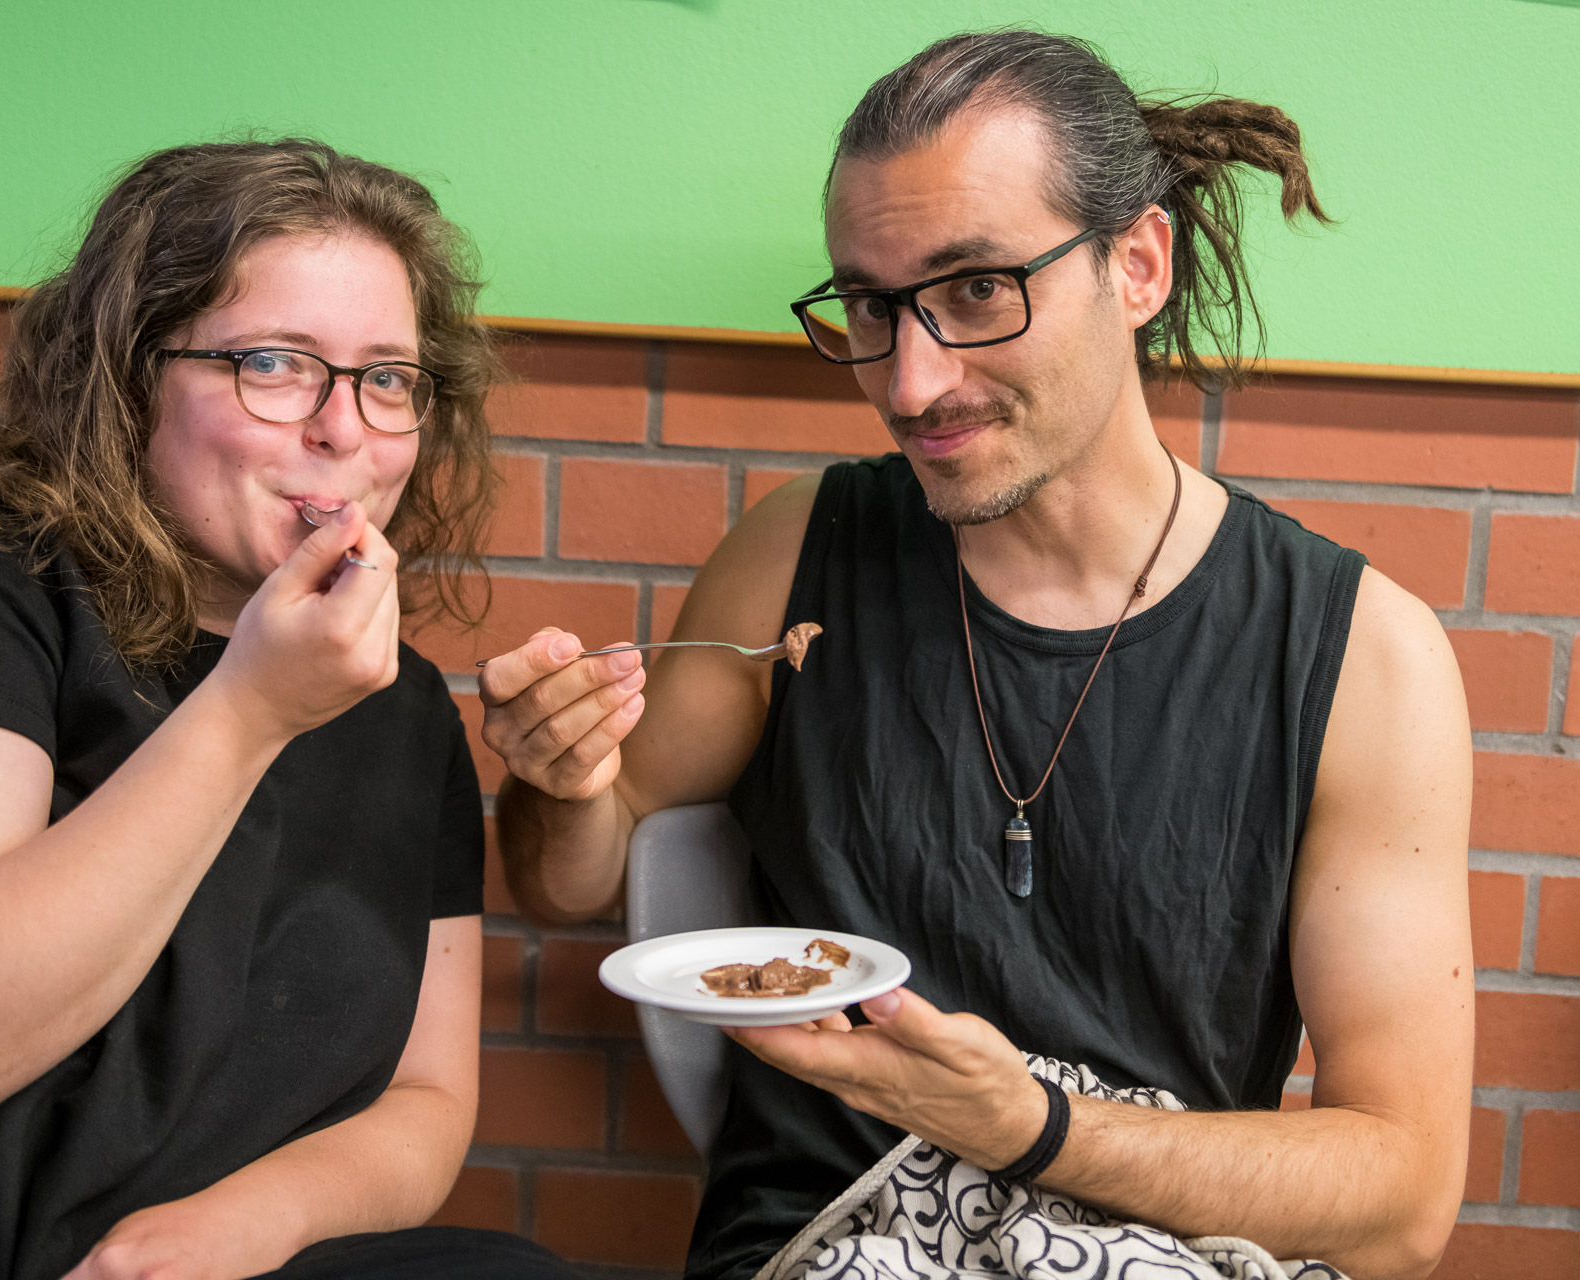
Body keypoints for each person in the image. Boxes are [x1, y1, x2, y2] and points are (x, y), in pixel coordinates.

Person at [481, 31, 1472, 1280]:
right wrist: (560, 779)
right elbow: (569, 879)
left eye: (978, 291)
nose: (911, 382)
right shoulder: (795, 556)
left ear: (1138, 265)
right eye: (872, 306)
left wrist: (1032, 1128)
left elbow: (1406, 1199)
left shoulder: (1358, 655)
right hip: (826, 1239)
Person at [0, 138, 578, 1280]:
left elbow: (426, 1099)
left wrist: (243, 1225)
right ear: (129, 376)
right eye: (275, 363)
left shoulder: (398, 704)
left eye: (388, 378)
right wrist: (250, 713)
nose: (344, 429)